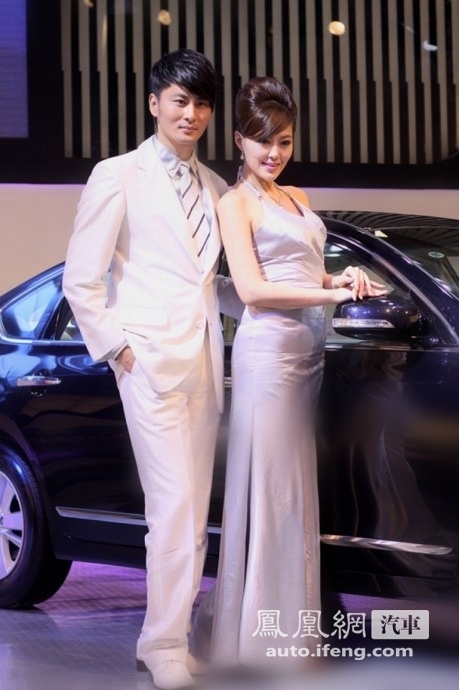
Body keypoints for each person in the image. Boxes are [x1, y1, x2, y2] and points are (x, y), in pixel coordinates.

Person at [191, 76, 386, 674]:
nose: (274, 153)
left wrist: (339, 277)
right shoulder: (236, 203)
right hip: (269, 359)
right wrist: (331, 298)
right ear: (239, 141)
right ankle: (258, 647)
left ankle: (289, 640)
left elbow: (300, 269)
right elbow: (252, 290)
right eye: (262, 141)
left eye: (284, 141)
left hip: (309, 357)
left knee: (295, 497)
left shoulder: (296, 196)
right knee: (272, 497)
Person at [63, 49, 235, 690]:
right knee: (173, 505)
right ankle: (165, 645)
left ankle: (168, 637)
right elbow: (81, 277)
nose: (191, 114)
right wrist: (119, 350)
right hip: (148, 362)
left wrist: (302, 294)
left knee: (192, 513)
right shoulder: (117, 175)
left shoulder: (216, 187)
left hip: (203, 365)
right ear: (154, 102)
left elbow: (214, 284)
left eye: (202, 103)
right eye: (180, 101)